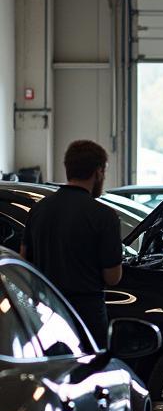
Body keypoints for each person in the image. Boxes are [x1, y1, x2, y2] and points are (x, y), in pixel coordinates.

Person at [21, 139, 123, 346]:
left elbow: (24, 261)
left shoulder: (39, 209)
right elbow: (113, 277)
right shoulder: (104, 216)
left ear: (68, 168)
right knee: (90, 372)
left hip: (45, 310)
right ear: (98, 172)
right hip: (87, 315)